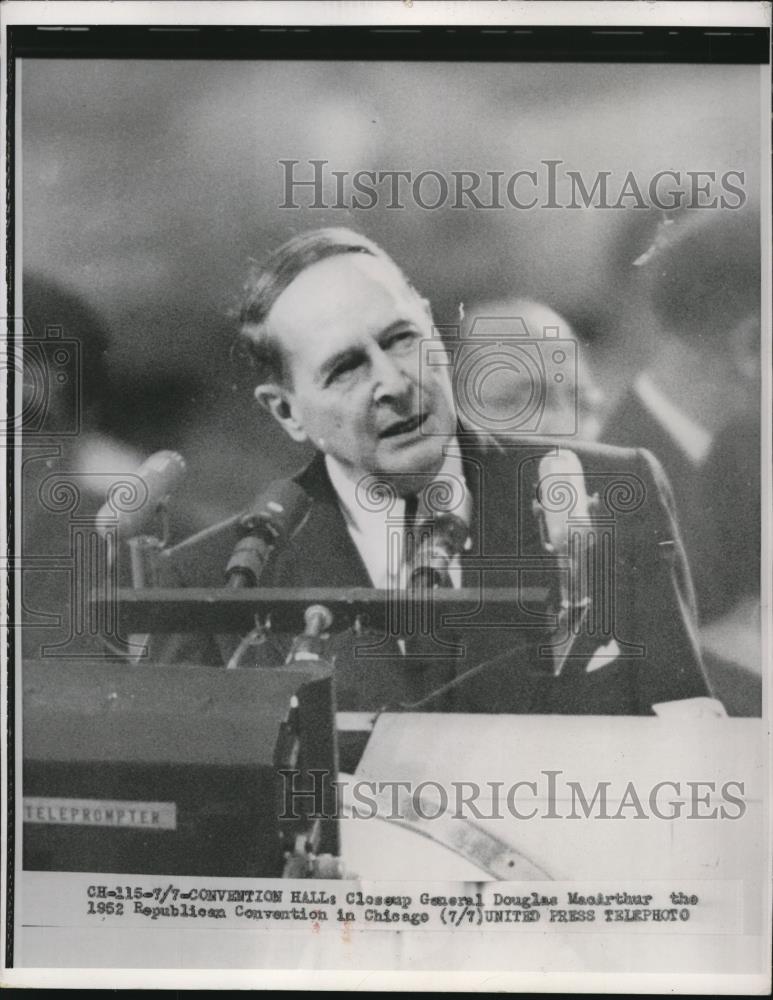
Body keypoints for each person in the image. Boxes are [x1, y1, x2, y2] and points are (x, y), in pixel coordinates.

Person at [168, 227, 721, 718]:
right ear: (286, 410)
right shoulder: (213, 578)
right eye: (346, 367)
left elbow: (688, 743)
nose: (393, 382)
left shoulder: (611, 493)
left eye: (401, 339)